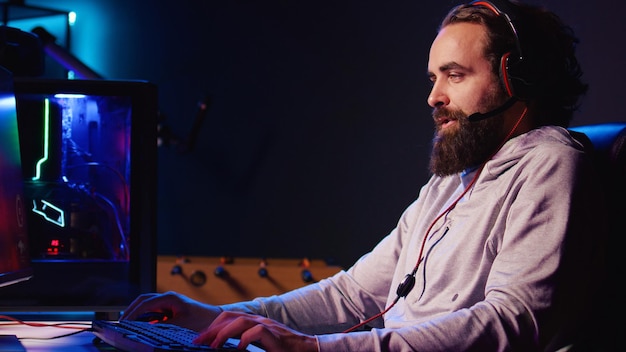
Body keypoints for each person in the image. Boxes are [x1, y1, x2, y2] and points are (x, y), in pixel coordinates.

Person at [122, 0, 608, 351]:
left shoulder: (550, 162)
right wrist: (215, 317)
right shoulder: (452, 180)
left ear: (513, 78)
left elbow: (514, 322)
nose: (434, 96)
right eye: (433, 78)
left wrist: (316, 350)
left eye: (455, 75)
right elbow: (354, 293)